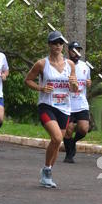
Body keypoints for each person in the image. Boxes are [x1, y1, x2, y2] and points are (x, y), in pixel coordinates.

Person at [25, 31, 78, 188]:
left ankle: (47, 171)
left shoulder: (70, 65)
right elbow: (27, 80)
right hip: (47, 105)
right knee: (56, 138)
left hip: (64, 108)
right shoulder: (42, 64)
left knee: (57, 142)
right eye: (55, 43)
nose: (58, 46)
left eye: (61, 43)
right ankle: (47, 172)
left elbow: (74, 89)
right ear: (49, 45)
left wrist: (74, 84)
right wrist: (41, 88)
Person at [63, 41, 91, 163]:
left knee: (84, 129)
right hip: (67, 103)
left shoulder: (85, 66)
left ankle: (73, 142)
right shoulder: (62, 65)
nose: (76, 53)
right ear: (69, 52)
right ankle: (69, 155)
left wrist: (89, 83)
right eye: (74, 50)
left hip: (81, 103)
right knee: (68, 130)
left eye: (78, 50)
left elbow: (87, 81)